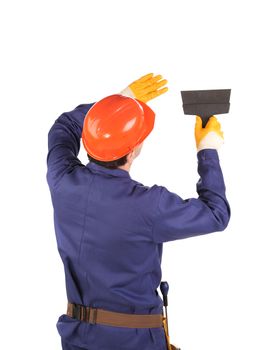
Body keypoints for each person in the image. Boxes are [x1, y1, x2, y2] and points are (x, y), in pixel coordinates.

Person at [46, 73, 230, 350]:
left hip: (76, 338)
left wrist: (117, 105)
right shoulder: (148, 205)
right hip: (134, 341)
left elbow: (64, 125)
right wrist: (208, 149)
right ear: (132, 152)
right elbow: (216, 214)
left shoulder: (62, 179)